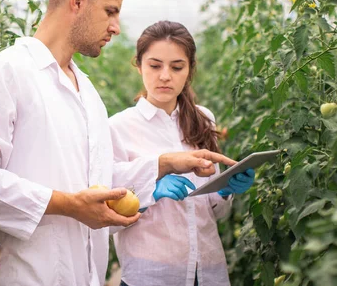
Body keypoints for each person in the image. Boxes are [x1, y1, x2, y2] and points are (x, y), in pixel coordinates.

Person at [0, 0, 237, 286]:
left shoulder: (88, 96)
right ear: (78, 1)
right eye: (111, 11)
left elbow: (98, 181)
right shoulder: (6, 73)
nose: (116, 27)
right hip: (25, 274)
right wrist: (68, 205)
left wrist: (165, 164)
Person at [109, 21, 255, 286]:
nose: (165, 76)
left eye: (177, 67)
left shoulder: (203, 119)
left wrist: (224, 191)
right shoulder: (118, 127)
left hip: (207, 270)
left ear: (189, 70)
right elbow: (106, 217)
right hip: (151, 274)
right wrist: (148, 192)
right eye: (155, 66)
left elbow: (215, 213)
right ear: (139, 66)